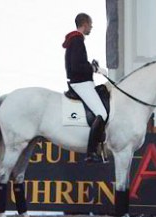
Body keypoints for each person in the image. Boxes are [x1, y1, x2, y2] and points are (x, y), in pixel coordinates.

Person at [62, 13, 107, 163]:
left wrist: (90, 65)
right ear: (85, 24)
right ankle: (91, 152)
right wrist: (93, 68)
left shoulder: (75, 40)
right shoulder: (77, 40)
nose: (92, 27)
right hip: (81, 83)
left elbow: (78, 64)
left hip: (81, 82)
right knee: (102, 113)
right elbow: (76, 67)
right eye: (91, 24)